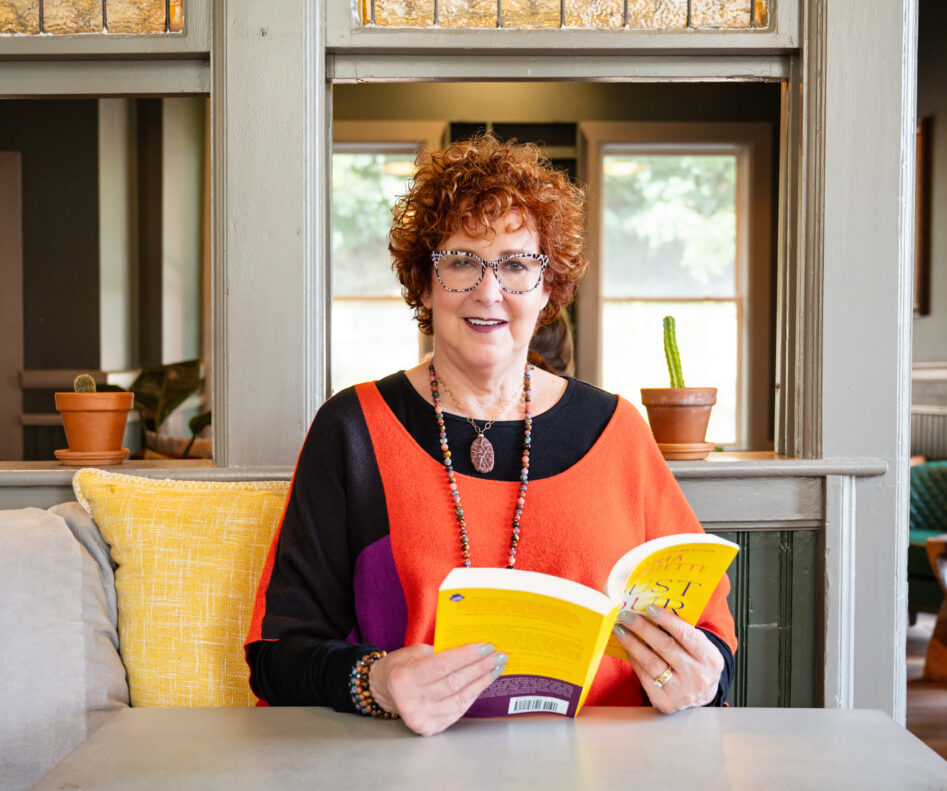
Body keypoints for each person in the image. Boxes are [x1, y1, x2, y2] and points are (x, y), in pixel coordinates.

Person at [245, 135, 736, 737]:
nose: (488, 291)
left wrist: (703, 679)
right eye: (460, 262)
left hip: (604, 770)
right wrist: (377, 680)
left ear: (549, 286)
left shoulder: (619, 432)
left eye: (516, 264)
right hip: (409, 772)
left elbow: (712, 635)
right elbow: (276, 657)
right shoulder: (352, 428)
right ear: (423, 286)